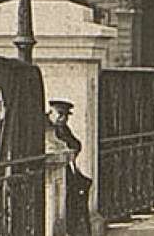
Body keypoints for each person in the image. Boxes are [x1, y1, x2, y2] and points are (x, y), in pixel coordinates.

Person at [47, 100, 94, 235]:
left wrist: (71, 149)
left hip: (67, 170)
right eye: (60, 114)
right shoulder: (46, 127)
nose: (63, 118)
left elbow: (76, 144)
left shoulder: (63, 128)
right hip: (56, 172)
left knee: (73, 201)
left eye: (66, 115)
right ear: (51, 112)